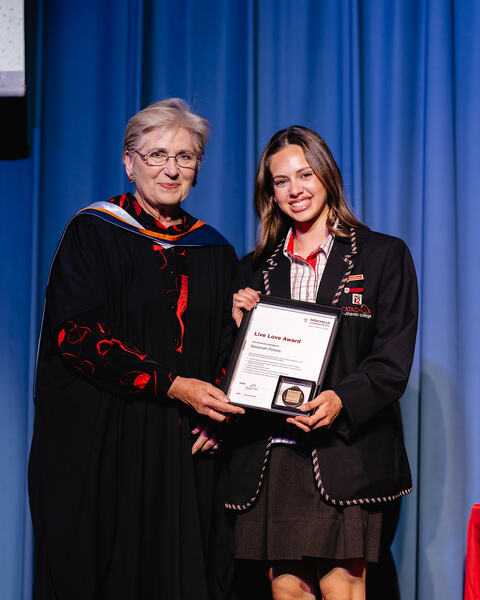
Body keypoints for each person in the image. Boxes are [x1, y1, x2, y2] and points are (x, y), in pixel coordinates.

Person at [28, 98, 244, 600]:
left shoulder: (215, 251)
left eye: (185, 156)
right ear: (129, 163)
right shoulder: (93, 232)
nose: (171, 169)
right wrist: (175, 385)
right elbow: (76, 337)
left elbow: (226, 348)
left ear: (198, 168)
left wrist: (220, 414)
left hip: (185, 454)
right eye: (156, 155)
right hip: (106, 445)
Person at [225, 126, 418, 600]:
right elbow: (237, 375)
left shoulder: (383, 255)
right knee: (287, 591)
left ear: (327, 175)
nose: (295, 190)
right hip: (275, 454)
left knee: (343, 589)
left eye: (305, 174)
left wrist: (341, 400)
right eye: (281, 181)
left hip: (346, 452)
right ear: (270, 193)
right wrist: (240, 329)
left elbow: (391, 362)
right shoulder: (254, 268)